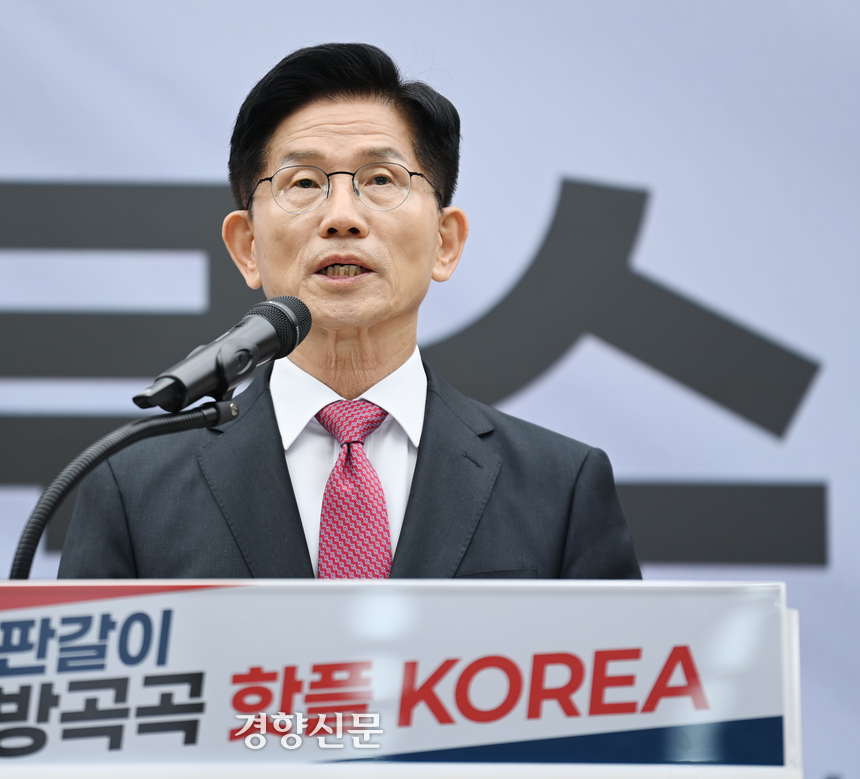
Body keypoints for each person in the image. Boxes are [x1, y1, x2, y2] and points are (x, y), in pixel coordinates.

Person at [58, 43, 640, 580]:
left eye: (381, 178)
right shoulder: (131, 488)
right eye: (304, 182)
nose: (342, 217)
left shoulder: (560, 487)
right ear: (247, 246)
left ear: (445, 242)